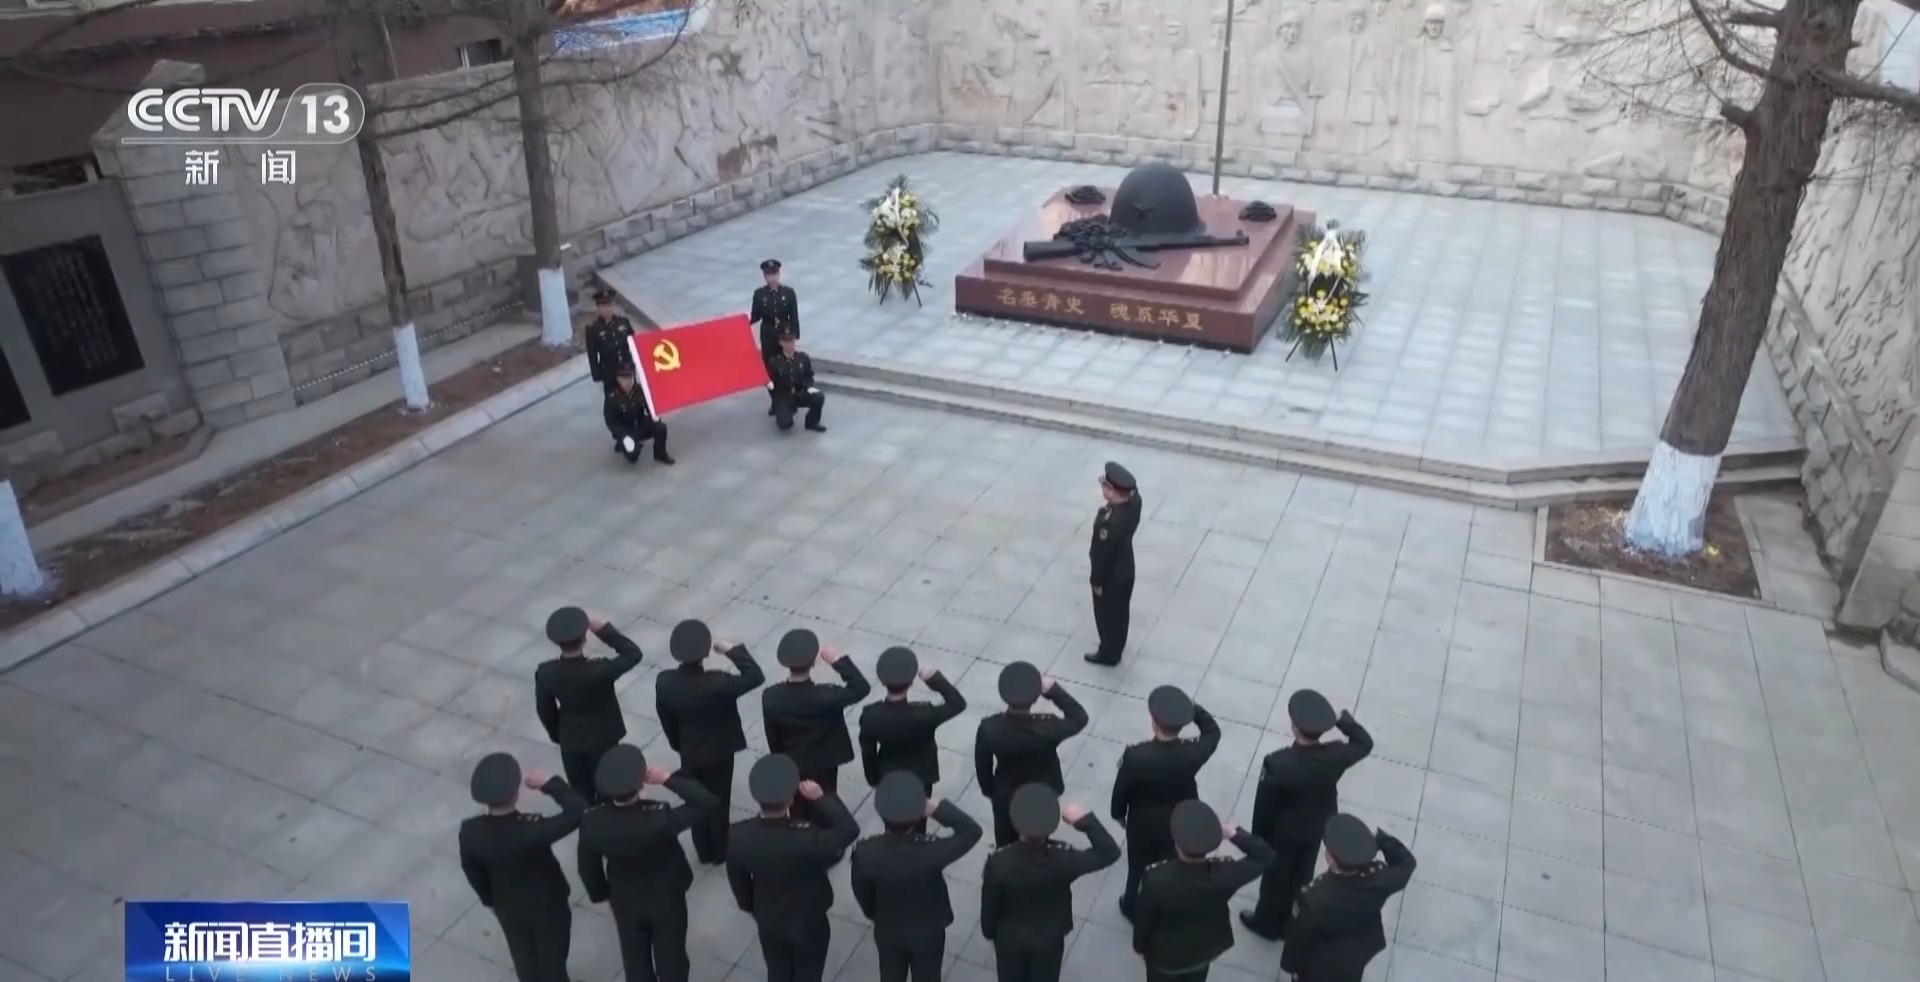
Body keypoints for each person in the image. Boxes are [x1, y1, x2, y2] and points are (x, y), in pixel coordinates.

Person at [1241, 690, 1374, 941]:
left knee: (1275, 880)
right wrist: (1342, 719)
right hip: (1318, 825)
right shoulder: (1335, 754)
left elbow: (1264, 809)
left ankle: (1267, 924)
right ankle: (1294, 920)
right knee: (1303, 873)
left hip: (1284, 832)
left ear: (1294, 727)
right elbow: (1364, 743)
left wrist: (1258, 841)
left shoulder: (1277, 763)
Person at [577, 745, 716, 982]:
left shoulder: (592, 822)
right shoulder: (659, 817)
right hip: (666, 895)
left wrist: (603, 893)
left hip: (624, 897)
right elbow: (706, 802)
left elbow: (587, 867)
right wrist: (667, 779)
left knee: (635, 960)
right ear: (641, 782)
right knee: (671, 958)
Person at [727, 754, 860, 982]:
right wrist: (821, 798)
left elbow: (738, 880)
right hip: (809, 918)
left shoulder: (737, 835)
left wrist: (752, 906)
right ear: (791, 799)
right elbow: (849, 830)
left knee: (777, 969)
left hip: (768, 917)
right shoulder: (809, 837)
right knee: (809, 972)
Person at [458, 752, 589, 982]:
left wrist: (491, 900)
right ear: (515, 792)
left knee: (524, 959)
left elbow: (473, 872)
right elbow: (578, 810)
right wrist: (548, 784)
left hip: (508, 905)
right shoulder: (533, 830)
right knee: (553, 961)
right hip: (547, 904)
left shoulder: (470, 831)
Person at [850, 772, 985, 982]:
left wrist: (875, 914)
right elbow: (971, 831)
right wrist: (937, 809)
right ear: (917, 816)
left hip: (888, 929)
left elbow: (862, 891)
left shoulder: (865, 852)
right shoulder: (931, 851)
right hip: (928, 931)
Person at [980, 784, 1122, 982]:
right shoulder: (1063, 859)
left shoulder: (999, 863)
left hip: (1010, 941)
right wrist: (1083, 820)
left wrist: (990, 932)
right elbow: (1109, 852)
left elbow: (990, 908)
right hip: (1049, 939)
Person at [654, 618, 764, 865]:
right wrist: (732, 651)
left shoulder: (665, 681)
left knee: (695, 798)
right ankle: (719, 850)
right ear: (705, 653)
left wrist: (677, 744)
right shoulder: (719, 682)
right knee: (719, 799)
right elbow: (755, 676)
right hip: (719, 751)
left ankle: (703, 850)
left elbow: (666, 718)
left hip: (689, 749)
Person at [1133, 800, 1276, 982]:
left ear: (1177, 842)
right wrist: (1234, 834)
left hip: (1166, 959)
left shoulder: (1156, 878)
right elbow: (1266, 856)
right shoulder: (1225, 873)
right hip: (1205, 950)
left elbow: (1145, 919)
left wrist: (1139, 947)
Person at [1112, 686, 1223, 921]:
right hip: (1179, 822)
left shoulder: (1136, 756)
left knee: (1137, 868)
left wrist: (1118, 813)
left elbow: (1122, 789)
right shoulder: (1192, 753)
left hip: (1142, 823)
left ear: (1154, 722)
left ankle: (1132, 906)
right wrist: (1191, 708)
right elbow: (1212, 732)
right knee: (1171, 867)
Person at [1279, 814, 1416, 982]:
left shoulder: (1313, 898)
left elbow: (1299, 938)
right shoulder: (1380, 879)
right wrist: (1381, 839)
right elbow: (1407, 864)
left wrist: (1291, 967)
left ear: (1330, 859)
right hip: (1360, 948)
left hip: (1321, 960)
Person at [534, 607, 645, 803]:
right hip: (604, 735)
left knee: (580, 791)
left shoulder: (546, 673)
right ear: (584, 639)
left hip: (571, 738)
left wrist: (558, 735)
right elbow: (633, 654)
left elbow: (545, 710)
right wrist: (605, 631)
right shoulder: (600, 670)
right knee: (608, 786)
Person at [761, 629, 870, 824]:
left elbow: (772, 734)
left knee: (797, 805)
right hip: (825, 760)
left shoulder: (771, 696)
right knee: (825, 800)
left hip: (793, 761)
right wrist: (837, 661)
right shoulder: (827, 696)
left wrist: (780, 759)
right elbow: (861, 687)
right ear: (813, 663)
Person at [975, 662, 1089, 848]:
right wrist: (1054, 690)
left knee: (1005, 842)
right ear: (1035, 698)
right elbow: (1079, 718)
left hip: (1006, 792)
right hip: (1043, 790)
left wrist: (990, 790)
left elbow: (983, 765)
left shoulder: (990, 729)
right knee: (1038, 836)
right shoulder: (1048, 728)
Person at [858, 646, 967, 835]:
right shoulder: (925, 714)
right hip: (921, 774)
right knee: (919, 818)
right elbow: (957, 703)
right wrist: (935, 679)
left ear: (882, 681)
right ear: (910, 683)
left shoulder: (870, 715)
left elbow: (868, 751)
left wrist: (873, 778)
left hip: (888, 773)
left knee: (892, 819)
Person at [1084, 461, 1143, 666]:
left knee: (1106, 615)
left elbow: (1102, 556)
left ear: (1112, 491)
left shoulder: (1108, 523)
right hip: (1126, 569)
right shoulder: (1133, 506)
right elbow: (1135, 494)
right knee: (1121, 612)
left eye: (1105, 486)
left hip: (1111, 578)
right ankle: (1118, 644)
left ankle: (1109, 653)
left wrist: (1096, 582)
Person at [750, 258, 799, 414]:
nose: (772, 278)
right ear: (765, 276)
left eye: (774, 274)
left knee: (787, 367)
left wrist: (795, 337)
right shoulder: (759, 294)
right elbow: (755, 316)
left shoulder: (788, 293)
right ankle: (775, 400)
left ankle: (790, 399)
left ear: (779, 274)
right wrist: (741, 321)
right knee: (770, 369)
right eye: (769, 275)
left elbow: (794, 316)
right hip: (768, 333)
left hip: (785, 333)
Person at [604, 364, 675, 466]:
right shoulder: (612, 397)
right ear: (618, 379)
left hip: (640, 425)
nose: (628, 381)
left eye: (630, 377)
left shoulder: (640, 390)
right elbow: (611, 422)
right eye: (624, 379)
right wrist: (623, 436)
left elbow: (649, 407)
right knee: (633, 456)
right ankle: (622, 444)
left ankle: (660, 453)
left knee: (660, 427)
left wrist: (655, 417)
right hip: (626, 430)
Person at [767, 326, 826, 433]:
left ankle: (812, 422)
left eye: (791, 341)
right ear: (781, 343)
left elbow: (809, 375)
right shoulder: (775, 362)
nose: (789, 344)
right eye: (786, 341)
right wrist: (776, 400)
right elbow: (771, 382)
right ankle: (787, 411)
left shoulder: (802, 358)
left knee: (818, 397)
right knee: (784, 424)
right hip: (785, 396)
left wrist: (809, 387)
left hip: (800, 392)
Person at [585, 288, 637, 396]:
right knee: (613, 399)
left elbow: (634, 343)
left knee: (632, 397)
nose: (607, 309)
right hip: (609, 371)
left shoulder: (623, 322)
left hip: (626, 368)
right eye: (604, 306)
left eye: (609, 305)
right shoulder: (593, 329)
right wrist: (596, 375)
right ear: (598, 308)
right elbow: (592, 354)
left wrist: (637, 362)